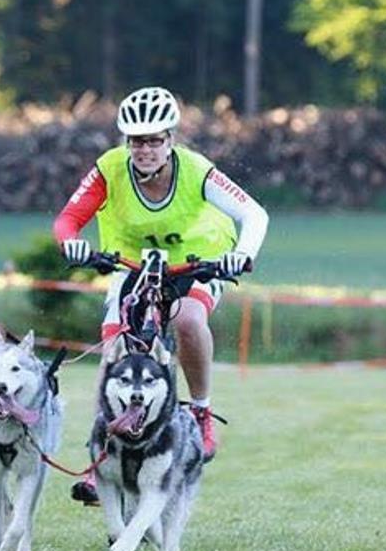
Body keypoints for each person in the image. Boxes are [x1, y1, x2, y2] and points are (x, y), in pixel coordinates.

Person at [53, 86, 269, 500]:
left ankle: (201, 411)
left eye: (154, 141)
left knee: (187, 319)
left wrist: (241, 255)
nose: (145, 150)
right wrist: (72, 245)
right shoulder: (109, 168)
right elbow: (67, 220)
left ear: (170, 140)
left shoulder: (196, 169)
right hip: (132, 263)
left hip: (199, 260)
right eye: (137, 141)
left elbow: (254, 214)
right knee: (114, 350)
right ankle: (101, 456)